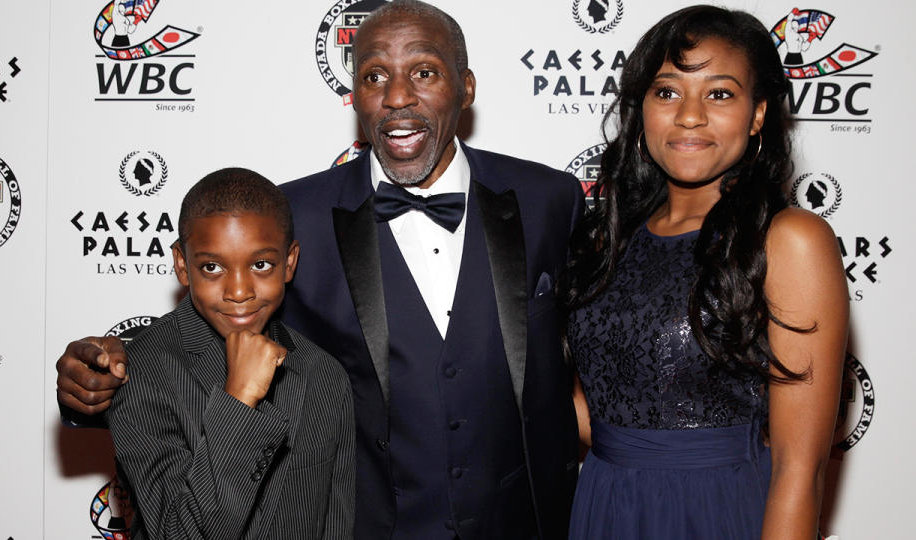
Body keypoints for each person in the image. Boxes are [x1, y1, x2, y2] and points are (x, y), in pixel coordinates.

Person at [56, 1, 584, 538]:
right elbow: (211, 338)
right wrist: (97, 383)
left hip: (523, 520)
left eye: (424, 73)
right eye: (375, 76)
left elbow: (596, 349)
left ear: (466, 88)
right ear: (354, 92)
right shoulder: (293, 216)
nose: (397, 97)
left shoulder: (549, 200)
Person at [560, 6, 848, 540]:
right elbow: (594, 410)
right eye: (667, 92)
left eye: (719, 94)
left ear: (758, 113)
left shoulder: (791, 241)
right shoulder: (606, 240)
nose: (689, 115)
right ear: (640, 107)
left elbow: (799, 470)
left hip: (720, 509)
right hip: (604, 504)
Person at [105, 168, 355, 539]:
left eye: (260, 265)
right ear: (181, 265)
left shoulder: (324, 374)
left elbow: (336, 524)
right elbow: (180, 534)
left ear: (289, 263)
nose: (239, 291)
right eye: (212, 267)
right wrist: (239, 401)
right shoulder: (142, 371)